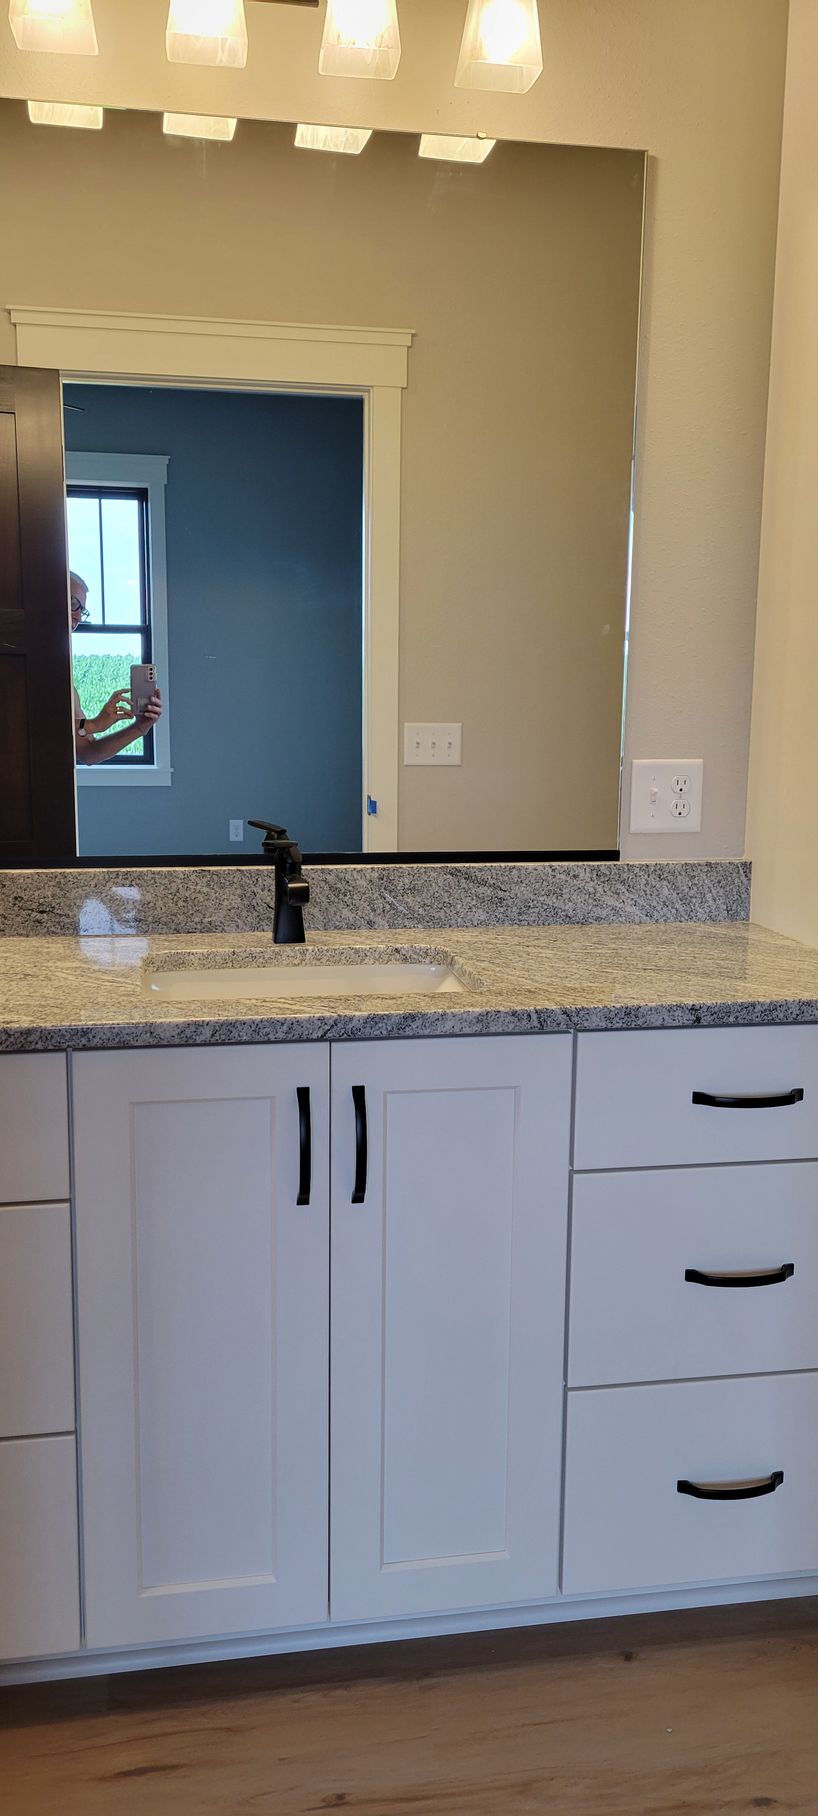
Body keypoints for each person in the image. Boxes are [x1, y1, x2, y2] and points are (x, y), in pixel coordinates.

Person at [70, 571, 163, 766]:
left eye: (82, 610)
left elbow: (88, 753)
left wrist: (139, 728)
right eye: (72, 603)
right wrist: (94, 724)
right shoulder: (22, 666)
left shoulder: (67, 687)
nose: (77, 616)